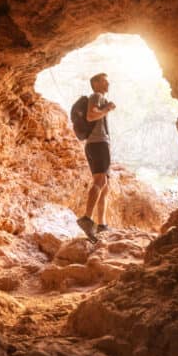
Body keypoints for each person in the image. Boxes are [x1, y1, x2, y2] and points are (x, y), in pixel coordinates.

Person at [77, 72, 116, 242]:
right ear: (96, 84)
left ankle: (102, 225)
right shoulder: (96, 96)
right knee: (100, 181)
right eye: (105, 81)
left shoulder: (100, 98)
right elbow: (90, 115)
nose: (108, 84)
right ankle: (86, 219)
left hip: (97, 144)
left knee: (105, 186)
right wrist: (108, 108)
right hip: (98, 143)